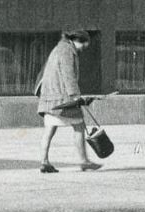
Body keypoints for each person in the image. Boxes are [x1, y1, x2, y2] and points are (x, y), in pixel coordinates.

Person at [35, 29, 100, 173]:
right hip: (62, 98)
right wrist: (76, 96)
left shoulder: (59, 48)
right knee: (79, 125)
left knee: (49, 129)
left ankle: (44, 161)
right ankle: (84, 161)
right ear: (77, 40)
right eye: (83, 45)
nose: (83, 48)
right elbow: (68, 74)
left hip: (49, 98)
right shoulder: (67, 51)